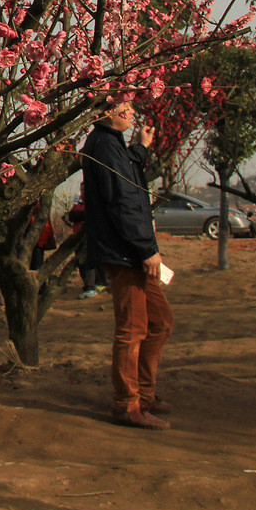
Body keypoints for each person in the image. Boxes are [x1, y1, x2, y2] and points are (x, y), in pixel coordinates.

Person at [82, 100, 173, 430]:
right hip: (126, 251)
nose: (131, 112)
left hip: (131, 250)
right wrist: (147, 249)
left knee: (160, 321)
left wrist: (141, 148)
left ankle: (144, 395)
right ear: (104, 111)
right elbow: (123, 200)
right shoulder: (103, 144)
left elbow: (126, 178)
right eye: (124, 108)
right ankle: (127, 405)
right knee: (132, 329)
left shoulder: (112, 144)